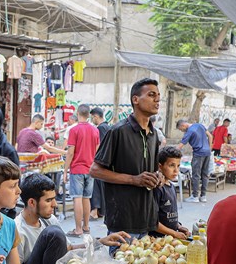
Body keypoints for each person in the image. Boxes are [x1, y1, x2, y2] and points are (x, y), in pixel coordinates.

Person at [16, 173, 129, 264]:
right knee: (54, 233)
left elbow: (68, 248)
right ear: (31, 202)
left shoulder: (49, 220)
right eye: (48, 200)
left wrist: (100, 242)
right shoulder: (18, 229)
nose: (54, 204)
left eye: (53, 199)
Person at [91, 79, 164, 238]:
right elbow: (95, 171)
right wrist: (134, 179)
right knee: (122, 263)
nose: (157, 99)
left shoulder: (154, 134)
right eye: (151, 95)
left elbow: (153, 169)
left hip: (148, 219)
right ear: (135, 99)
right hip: (123, 221)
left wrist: (158, 177)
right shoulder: (118, 131)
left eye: (158, 95)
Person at [65, 103, 101, 236]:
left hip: (77, 168)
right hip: (90, 169)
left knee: (77, 198)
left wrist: (65, 170)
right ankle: (86, 227)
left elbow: (70, 152)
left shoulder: (73, 130)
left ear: (78, 114)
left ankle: (78, 229)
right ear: (88, 115)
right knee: (87, 198)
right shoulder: (95, 130)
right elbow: (97, 150)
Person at [152, 146, 190, 240]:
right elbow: (153, 223)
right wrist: (174, 233)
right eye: (171, 165)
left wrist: (178, 227)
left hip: (170, 239)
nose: (176, 170)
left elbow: (168, 216)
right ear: (160, 166)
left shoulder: (172, 187)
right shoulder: (157, 189)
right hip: (158, 240)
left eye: (178, 166)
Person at [178, 117, 212, 203]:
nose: (182, 131)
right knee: (205, 174)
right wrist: (209, 148)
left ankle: (195, 196)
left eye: (181, 129)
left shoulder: (189, 131)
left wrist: (170, 152)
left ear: (183, 125)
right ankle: (203, 196)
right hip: (207, 153)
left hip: (198, 154)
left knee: (196, 175)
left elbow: (180, 145)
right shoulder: (199, 125)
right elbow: (210, 136)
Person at [90, 107, 109, 219]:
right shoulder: (108, 127)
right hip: (106, 161)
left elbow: (99, 146)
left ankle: (95, 211)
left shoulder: (101, 128)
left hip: (100, 160)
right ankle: (101, 211)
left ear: (96, 116)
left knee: (96, 185)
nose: (92, 119)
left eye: (92, 117)